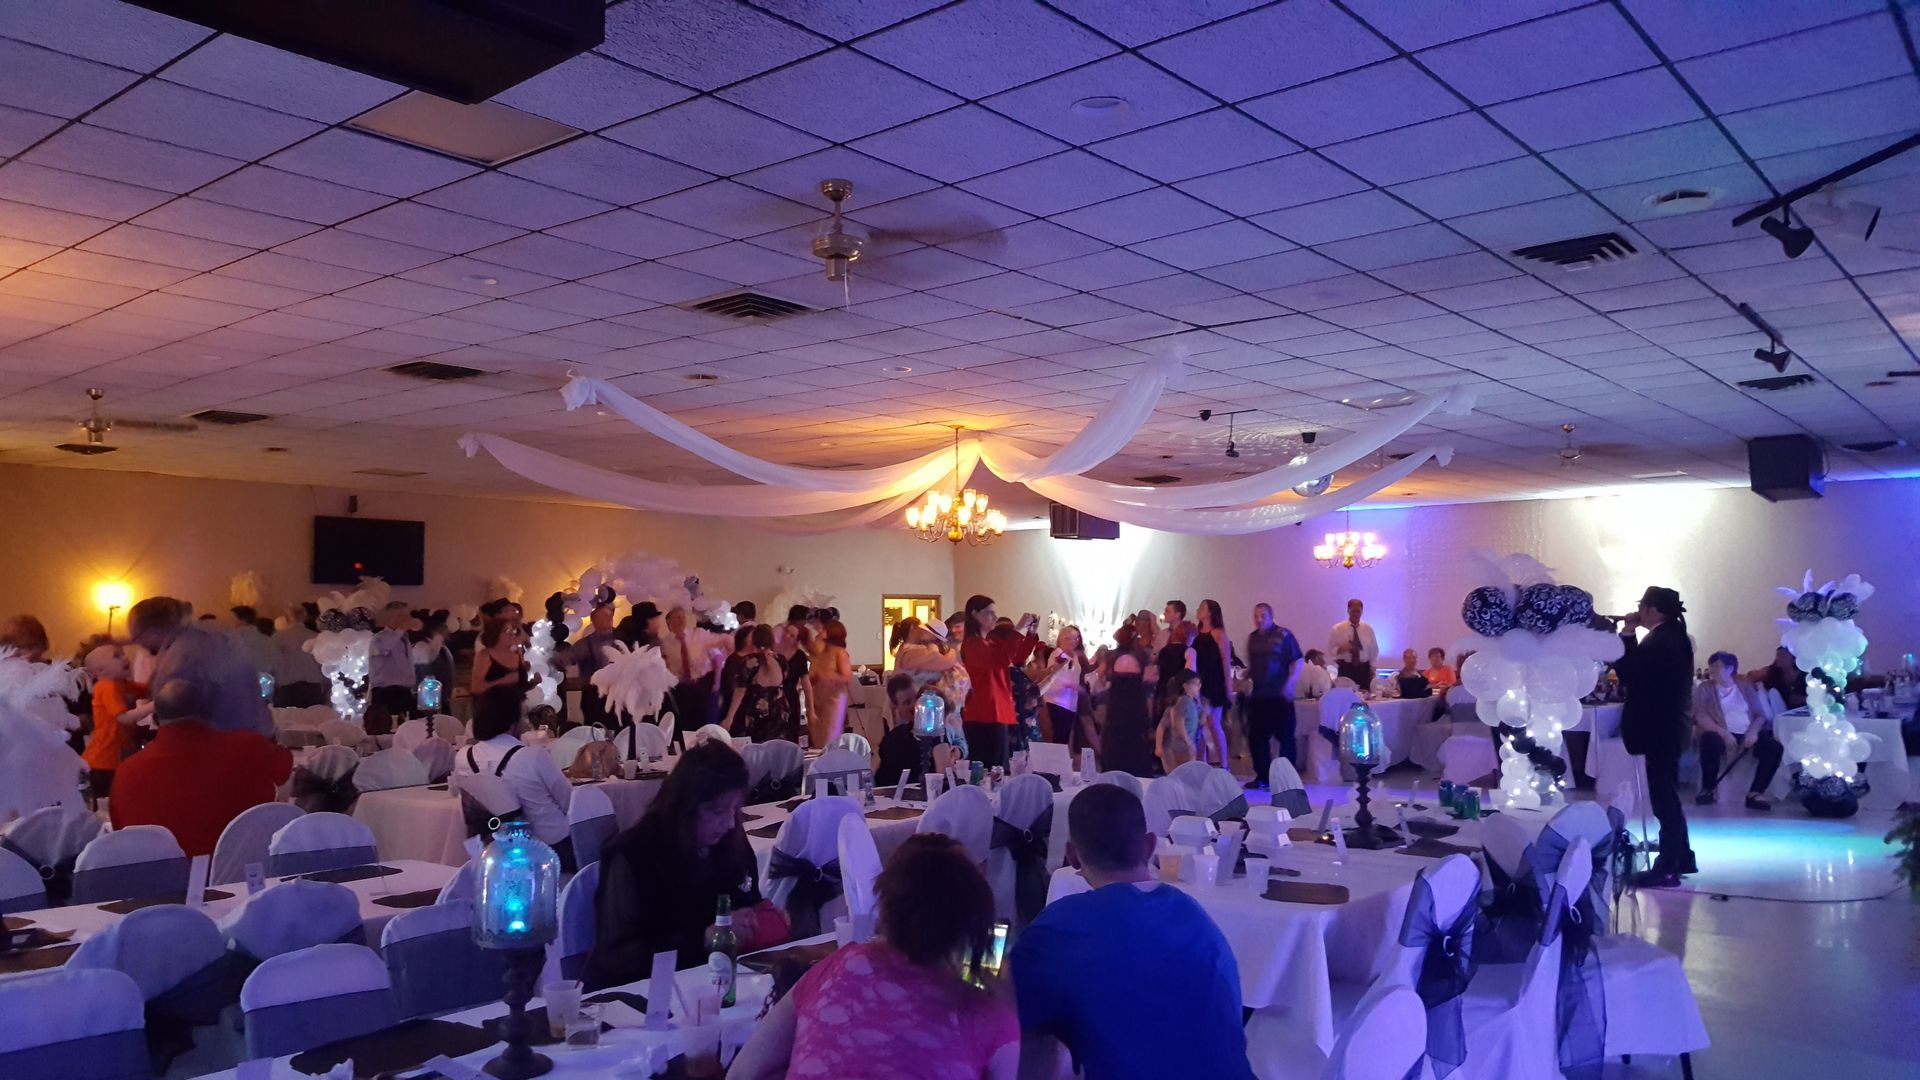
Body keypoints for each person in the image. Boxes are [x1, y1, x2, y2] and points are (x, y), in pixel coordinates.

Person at [1012, 784, 1251, 1080]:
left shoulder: (1059, 929)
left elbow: (999, 1015)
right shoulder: (1195, 917)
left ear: (1071, 856)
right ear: (1150, 846)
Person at [732, 833, 1018, 1080]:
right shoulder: (986, 1015)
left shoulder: (837, 967)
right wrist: (1008, 1007)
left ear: (885, 906)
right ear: (977, 918)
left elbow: (742, 1072)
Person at [585, 741, 788, 988]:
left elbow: (746, 901)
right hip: (648, 990)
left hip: (718, 980)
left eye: (734, 810)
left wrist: (760, 920)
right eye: (717, 811)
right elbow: (618, 955)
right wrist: (704, 939)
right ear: (684, 807)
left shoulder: (729, 841)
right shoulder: (635, 853)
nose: (729, 823)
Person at [110, 680, 292, 856]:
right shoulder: (249, 746)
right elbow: (287, 773)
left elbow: (121, 830)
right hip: (243, 869)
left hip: (165, 874)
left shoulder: (127, 771)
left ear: (156, 718)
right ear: (209, 711)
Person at [1616, 586, 1696, 887]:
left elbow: (1630, 672)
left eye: (1643, 607)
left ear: (1652, 610)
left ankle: (1668, 866)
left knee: (1664, 798)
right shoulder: (1673, 636)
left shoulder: (1662, 641)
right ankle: (1681, 855)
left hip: (1660, 728)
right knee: (1668, 794)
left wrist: (1627, 634)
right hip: (1668, 728)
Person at [455, 684, 576, 866]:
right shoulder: (533, 756)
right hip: (551, 850)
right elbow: (570, 802)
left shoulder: (463, 758)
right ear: (510, 721)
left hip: (491, 851)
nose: (527, 724)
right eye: (524, 716)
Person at [126, 596, 271, 737]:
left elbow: (174, 719)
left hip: (223, 741)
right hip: (257, 734)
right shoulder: (213, 636)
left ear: (151, 632)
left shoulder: (178, 659)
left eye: (138, 639)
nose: (142, 647)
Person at [1693, 651, 1784, 811]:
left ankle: (1756, 793)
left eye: (1717, 666)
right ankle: (1708, 788)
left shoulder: (1744, 687)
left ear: (1730, 669)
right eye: (1711, 665)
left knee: (1774, 748)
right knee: (1709, 740)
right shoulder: (1705, 688)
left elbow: (1760, 715)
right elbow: (1700, 715)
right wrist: (1724, 733)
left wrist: (1753, 732)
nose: (1712, 669)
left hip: (1746, 733)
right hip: (1720, 732)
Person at [959, 595, 1039, 768]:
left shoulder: (989, 642)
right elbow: (1002, 659)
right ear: (975, 614)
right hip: (983, 714)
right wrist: (1018, 629)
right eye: (990, 613)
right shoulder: (973, 644)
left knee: (999, 767)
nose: (995, 617)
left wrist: (1030, 634)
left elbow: (1016, 657)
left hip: (997, 712)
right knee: (989, 768)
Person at [1244, 603, 1303, 787]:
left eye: (1263, 616)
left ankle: (1287, 777)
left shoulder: (1284, 635)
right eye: (1256, 616)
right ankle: (1263, 776)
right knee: (1257, 737)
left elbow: (1297, 661)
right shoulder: (1253, 638)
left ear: (1271, 616)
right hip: (1258, 695)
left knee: (1285, 736)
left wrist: (1290, 684)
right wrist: (1245, 679)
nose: (1259, 620)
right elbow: (1253, 665)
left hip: (1279, 694)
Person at [80, 644, 138, 803]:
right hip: (103, 760)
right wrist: (154, 705)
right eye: (117, 656)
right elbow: (123, 718)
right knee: (108, 804)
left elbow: (148, 688)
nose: (125, 657)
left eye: (123, 653)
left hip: (114, 757)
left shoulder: (121, 684)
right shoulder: (107, 686)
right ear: (102, 671)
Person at [661, 605, 728, 731]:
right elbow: (665, 666)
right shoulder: (665, 643)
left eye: (683, 617)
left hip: (702, 684)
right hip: (681, 688)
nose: (681, 620)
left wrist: (717, 682)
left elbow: (718, 652)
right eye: (677, 617)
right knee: (686, 724)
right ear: (669, 621)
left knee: (705, 722)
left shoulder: (699, 635)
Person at [1101, 624, 1155, 777]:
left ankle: (1112, 775)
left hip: (1116, 704)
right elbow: (1149, 680)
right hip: (1136, 704)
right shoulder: (1141, 655)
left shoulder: (1112, 656)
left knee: (1114, 739)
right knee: (1136, 741)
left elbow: (1101, 674)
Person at [723, 625, 791, 743]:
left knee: (755, 749)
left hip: (756, 713)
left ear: (754, 640)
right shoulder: (781, 660)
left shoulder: (749, 662)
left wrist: (729, 718)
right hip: (778, 712)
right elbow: (785, 682)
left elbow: (740, 691)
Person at [1036, 626, 1090, 756]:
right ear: (1061, 639)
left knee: (1064, 739)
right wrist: (1071, 685)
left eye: (1076, 638)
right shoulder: (1058, 653)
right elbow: (1053, 676)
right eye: (1070, 638)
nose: (1074, 641)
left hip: (1069, 703)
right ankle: (1053, 764)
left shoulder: (1074, 655)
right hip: (1056, 701)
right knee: (1058, 739)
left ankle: (1058, 763)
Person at [1190, 600, 1232, 767]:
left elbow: (1225, 662)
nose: (1198, 610)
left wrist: (1228, 687)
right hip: (1198, 682)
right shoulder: (1196, 633)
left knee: (1213, 723)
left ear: (1210, 613)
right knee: (1198, 725)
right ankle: (1203, 762)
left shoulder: (1218, 634)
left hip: (1214, 682)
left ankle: (1224, 763)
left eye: (1202, 607)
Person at [365, 602, 418, 728]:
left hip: (404, 691)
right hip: (386, 693)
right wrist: (398, 630)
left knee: (408, 728)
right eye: (401, 616)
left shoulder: (404, 639)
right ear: (390, 617)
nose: (406, 620)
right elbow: (384, 648)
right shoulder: (378, 639)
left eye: (407, 616)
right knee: (386, 729)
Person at [809, 619, 854, 746]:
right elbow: (812, 677)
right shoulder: (820, 653)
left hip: (834, 700)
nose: (819, 632)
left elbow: (847, 677)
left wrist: (829, 675)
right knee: (817, 736)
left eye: (823, 629)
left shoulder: (840, 653)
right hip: (818, 698)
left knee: (830, 735)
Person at [272, 603, 326, 707]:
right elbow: (321, 663)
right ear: (304, 617)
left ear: (287, 618)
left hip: (287, 686)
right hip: (313, 685)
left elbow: (275, 663)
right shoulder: (314, 636)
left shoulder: (278, 638)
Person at [776, 607, 813, 745]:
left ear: (797, 639)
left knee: (792, 734)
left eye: (792, 635)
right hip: (775, 697)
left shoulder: (800, 656)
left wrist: (811, 710)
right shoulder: (775, 653)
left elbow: (806, 684)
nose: (787, 636)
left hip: (791, 696)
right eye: (787, 633)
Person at [1156, 670, 1202, 773]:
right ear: (1185, 686)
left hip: (1184, 744)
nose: (1198, 687)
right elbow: (1178, 724)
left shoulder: (1190, 702)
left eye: (1199, 684)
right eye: (1195, 684)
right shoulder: (1184, 701)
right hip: (1181, 746)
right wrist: (1189, 743)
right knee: (1184, 773)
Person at [1327, 598, 1379, 687]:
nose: (1356, 614)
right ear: (1348, 611)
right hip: (1346, 669)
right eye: (1353, 611)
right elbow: (1330, 649)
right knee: (1345, 693)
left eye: (1358, 611)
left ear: (1362, 611)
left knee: (1365, 694)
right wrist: (1341, 649)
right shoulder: (1338, 629)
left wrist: (1373, 668)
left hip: (1364, 670)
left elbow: (1374, 650)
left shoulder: (1368, 629)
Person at [1745, 646, 1808, 711]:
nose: (1778, 658)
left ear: (1794, 659)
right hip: (1783, 713)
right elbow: (1751, 676)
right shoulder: (1773, 672)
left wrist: (1804, 699)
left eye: (1783, 656)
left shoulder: (1805, 675)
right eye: (1777, 655)